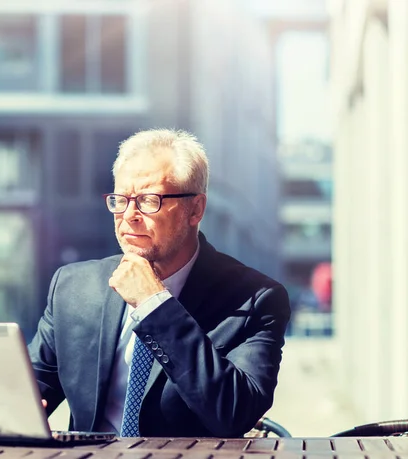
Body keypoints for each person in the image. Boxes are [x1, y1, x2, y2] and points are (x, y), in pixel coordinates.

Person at [28, 128, 290, 438]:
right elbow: (29, 388)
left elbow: (235, 413)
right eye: (120, 200)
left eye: (148, 201)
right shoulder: (73, 287)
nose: (129, 215)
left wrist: (155, 304)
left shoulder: (255, 300)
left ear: (195, 209)